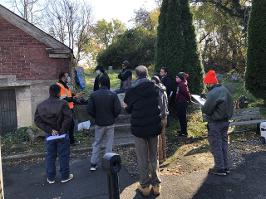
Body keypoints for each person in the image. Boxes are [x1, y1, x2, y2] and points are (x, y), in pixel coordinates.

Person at [124, 66, 162, 197]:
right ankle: (156, 185)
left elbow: (128, 109)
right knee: (154, 156)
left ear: (136, 75)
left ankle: (145, 186)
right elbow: (161, 106)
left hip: (139, 129)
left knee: (142, 158)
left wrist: (126, 107)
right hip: (154, 126)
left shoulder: (132, 91)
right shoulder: (156, 87)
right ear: (147, 74)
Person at [34, 84, 73, 184]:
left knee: (50, 156)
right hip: (62, 134)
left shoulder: (41, 105)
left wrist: (50, 130)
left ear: (49, 92)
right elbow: (68, 118)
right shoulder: (63, 103)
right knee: (63, 155)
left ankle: (50, 177)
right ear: (59, 92)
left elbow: (37, 121)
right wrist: (62, 130)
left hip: (50, 134)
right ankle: (65, 176)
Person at [202, 70, 233, 176]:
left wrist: (203, 103)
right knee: (224, 144)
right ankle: (226, 167)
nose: (206, 85)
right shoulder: (225, 90)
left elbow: (206, 109)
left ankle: (220, 169)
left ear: (210, 83)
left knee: (216, 145)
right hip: (225, 122)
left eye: (206, 83)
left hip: (215, 123)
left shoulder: (213, 92)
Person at [87, 75, 121, 171]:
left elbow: (89, 109)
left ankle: (93, 164)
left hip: (99, 123)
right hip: (110, 122)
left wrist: (96, 117)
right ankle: (108, 163)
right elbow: (118, 109)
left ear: (100, 83)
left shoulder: (94, 95)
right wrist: (113, 116)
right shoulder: (113, 94)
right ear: (108, 82)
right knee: (109, 143)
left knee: (97, 143)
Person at [57, 72, 82, 145]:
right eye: (67, 76)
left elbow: (69, 94)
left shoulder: (65, 85)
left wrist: (75, 95)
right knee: (69, 125)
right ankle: (69, 142)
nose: (69, 78)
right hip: (64, 109)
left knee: (71, 125)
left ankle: (70, 141)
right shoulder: (59, 85)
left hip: (69, 108)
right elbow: (63, 98)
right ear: (63, 77)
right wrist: (74, 98)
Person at [151, 75, 169, 164]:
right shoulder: (163, 89)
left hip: (160, 117)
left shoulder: (158, 92)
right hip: (165, 116)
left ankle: (160, 158)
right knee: (163, 137)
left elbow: (159, 105)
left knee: (158, 140)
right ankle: (164, 156)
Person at [175, 72, 191, 137]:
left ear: (180, 78)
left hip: (182, 103)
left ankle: (184, 132)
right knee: (180, 117)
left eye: (177, 77)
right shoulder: (180, 84)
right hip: (180, 102)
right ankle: (182, 130)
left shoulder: (182, 85)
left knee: (182, 117)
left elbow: (186, 93)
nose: (176, 79)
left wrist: (189, 99)